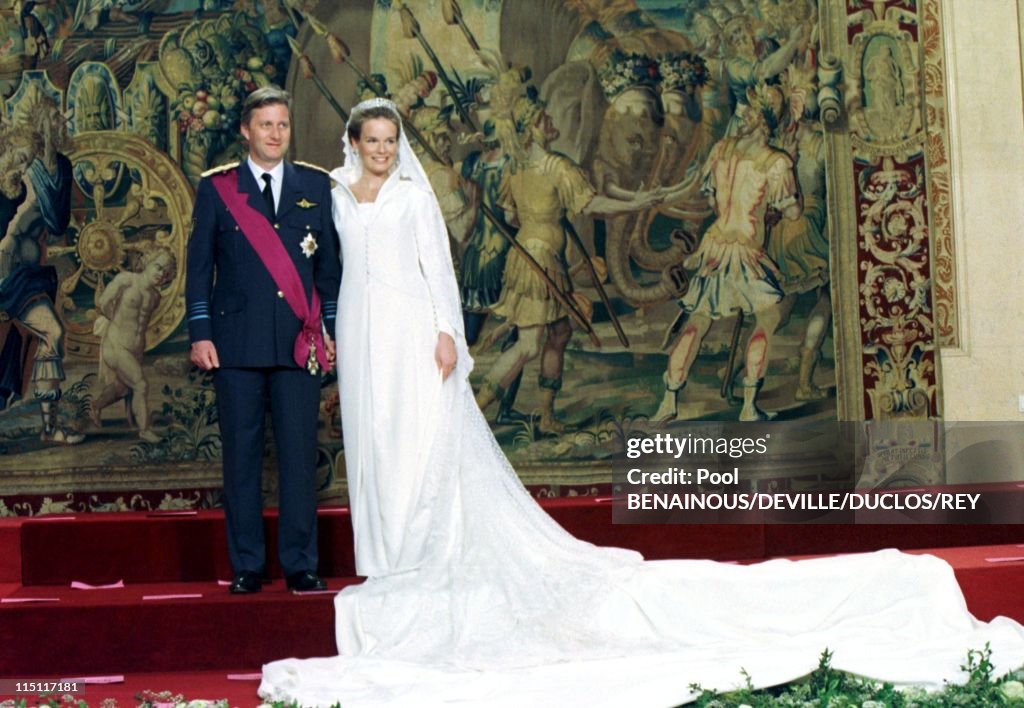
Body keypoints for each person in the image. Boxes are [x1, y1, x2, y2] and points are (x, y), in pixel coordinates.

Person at [258, 98, 1024, 707]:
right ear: (355, 142)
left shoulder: (413, 196)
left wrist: (447, 334)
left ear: (400, 144)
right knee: (373, 436)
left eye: (394, 141)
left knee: (420, 435)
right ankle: (383, 558)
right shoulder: (328, 192)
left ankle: (423, 554)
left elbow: (440, 273)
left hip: (413, 329)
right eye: (375, 142)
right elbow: (311, 259)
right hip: (357, 328)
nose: (385, 151)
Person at [185, 86, 340, 594]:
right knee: (242, 458)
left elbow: (329, 273)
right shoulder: (217, 190)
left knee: (299, 458)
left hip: (299, 345)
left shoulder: (315, 187)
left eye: (283, 125)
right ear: (246, 131)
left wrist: (330, 331)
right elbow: (199, 270)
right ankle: (248, 565)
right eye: (266, 125)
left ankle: (301, 564)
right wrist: (201, 333)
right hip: (235, 345)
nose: (276, 134)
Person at [91, 245, 176, 441]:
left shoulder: (155, 296)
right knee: (140, 384)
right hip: (116, 345)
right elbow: (103, 302)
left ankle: (96, 406)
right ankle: (145, 430)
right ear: (147, 262)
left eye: (166, 272)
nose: (161, 274)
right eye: (158, 267)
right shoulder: (127, 280)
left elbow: (141, 323)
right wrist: (115, 323)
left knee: (122, 387)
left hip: (136, 349)